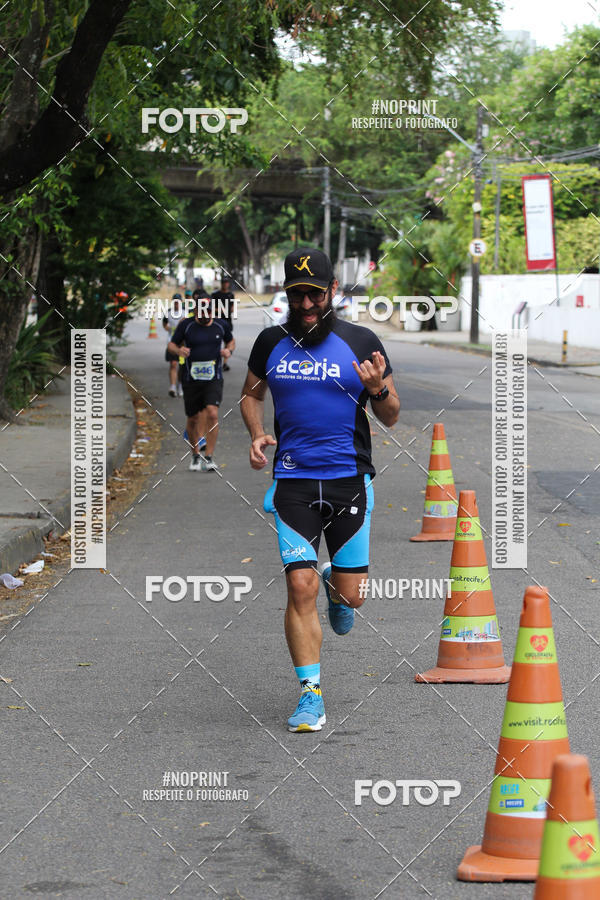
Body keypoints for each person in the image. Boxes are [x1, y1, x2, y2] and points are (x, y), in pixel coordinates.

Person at [240, 247, 400, 732]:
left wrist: (376, 390)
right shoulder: (270, 343)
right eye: (297, 294)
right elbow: (250, 394)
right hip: (293, 480)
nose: (306, 302)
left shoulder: (361, 340)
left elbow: (392, 414)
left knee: (352, 600)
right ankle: (310, 694)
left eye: (314, 293)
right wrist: (255, 432)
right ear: (286, 295)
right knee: (298, 583)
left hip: (350, 480)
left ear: (332, 291)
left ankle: (338, 583)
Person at [168, 290, 235, 472]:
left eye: (208, 312)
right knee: (194, 418)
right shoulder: (186, 325)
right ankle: (195, 455)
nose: (205, 316)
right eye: (201, 312)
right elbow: (171, 344)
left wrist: (228, 351)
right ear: (196, 311)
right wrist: (179, 351)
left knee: (213, 413)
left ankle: (209, 457)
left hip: (214, 378)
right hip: (191, 378)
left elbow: (231, 342)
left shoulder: (221, 325)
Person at [211, 275, 236, 371]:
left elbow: (232, 309)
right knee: (215, 341)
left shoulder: (231, 295)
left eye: (226, 283)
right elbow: (211, 307)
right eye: (223, 283)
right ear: (221, 284)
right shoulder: (215, 295)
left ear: (228, 284)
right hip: (217, 321)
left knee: (228, 342)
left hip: (227, 322)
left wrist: (228, 310)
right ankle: (214, 361)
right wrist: (221, 310)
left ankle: (224, 363)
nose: (225, 284)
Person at [163, 293, 184, 397]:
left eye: (178, 301)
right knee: (173, 364)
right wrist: (169, 329)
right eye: (175, 301)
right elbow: (164, 323)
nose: (176, 303)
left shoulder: (185, 312)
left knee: (182, 366)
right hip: (172, 342)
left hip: (183, 344)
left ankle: (180, 385)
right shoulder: (169, 313)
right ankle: (172, 386)